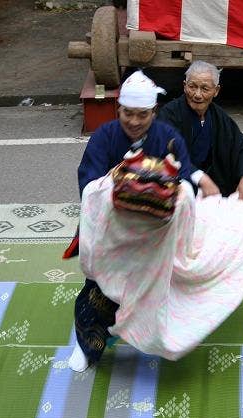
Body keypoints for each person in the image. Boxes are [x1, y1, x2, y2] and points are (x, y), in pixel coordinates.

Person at [68, 70, 193, 372]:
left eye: (143, 114)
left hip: (156, 233)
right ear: (118, 110)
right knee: (101, 291)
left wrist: (164, 185)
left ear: (154, 112)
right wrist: (119, 182)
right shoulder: (103, 137)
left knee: (161, 288)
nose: (134, 122)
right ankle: (88, 345)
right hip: (112, 231)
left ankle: (155, 337)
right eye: (128, 114)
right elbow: (88, 185)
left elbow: (187, 181)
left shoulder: (169, 138)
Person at [158, 60, 243, 199]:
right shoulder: (169, 114)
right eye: (192, 87)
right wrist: (200, 177)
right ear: (184, 86)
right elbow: (169, 151)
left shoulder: (218, 116)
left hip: (214, 191)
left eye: (205, 89)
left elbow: (240, 146)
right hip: (180, 189)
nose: (197, 94)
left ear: (216, 91)